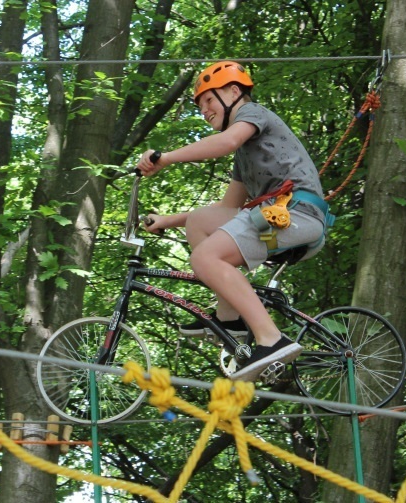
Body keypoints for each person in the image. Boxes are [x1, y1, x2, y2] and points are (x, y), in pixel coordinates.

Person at [135, 61, 328, 382]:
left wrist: (165, 157)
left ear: (234, 92)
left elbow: (225, 143)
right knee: (201, 221)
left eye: (208, 100)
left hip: (297, 217)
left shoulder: (253, 114)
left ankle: (271, 339)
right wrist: (169, 220)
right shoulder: (245, 154)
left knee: (205, 257)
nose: (204, 110)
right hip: (273, 218)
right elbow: (228, 209)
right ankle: (231, 321)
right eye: (200, 105)